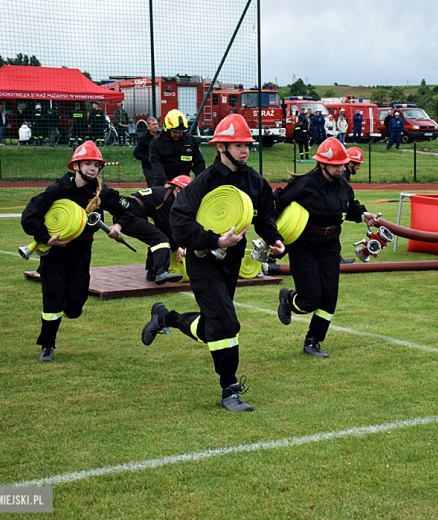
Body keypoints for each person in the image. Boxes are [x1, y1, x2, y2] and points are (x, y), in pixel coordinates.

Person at [141, 114, 285, 412]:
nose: (244, 150)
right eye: (237, 145)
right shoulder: (204, 181)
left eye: (247, 144)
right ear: (221, 147)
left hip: (232, 261)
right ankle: (229, 390)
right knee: (227, 322)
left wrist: (275, 239)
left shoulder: (254, 180)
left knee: (213, 325)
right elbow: (179, 220)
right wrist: (214, 240)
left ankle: (165, 319)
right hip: (203, 259)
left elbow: (265, 214)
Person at [21, 141, 127, 361]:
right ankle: (47, 345)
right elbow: (30, 215)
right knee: (53, 299)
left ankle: (69, 311)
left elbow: (125, 208)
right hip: (54, 254)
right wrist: (45, 238)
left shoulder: (101, 192)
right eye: (87, 163)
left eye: (96, 165)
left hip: (81, 252)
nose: (92, 168)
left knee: (74, 308)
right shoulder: (58, 189)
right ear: (75, 166)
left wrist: (118, 225)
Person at [275, 137, 378, 358]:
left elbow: (350, 207)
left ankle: (313, 341)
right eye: (336, 164)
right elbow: (277, 203)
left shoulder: (343, 185)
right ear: (322, 164)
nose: (342, 168)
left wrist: (363, 214)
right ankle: (287, 298)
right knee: (311, 299)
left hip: (330, 246)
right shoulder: (304, 184)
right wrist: (273, 238)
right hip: (304, 246)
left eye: (343, 164)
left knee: (329, 298)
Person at [114, 175, 191, 284]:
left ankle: (152, 272)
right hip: (129, 215)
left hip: (129, 212)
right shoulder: (166, 199)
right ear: (177, 189)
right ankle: (161, 272)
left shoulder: (165, 194)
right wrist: (176, 247)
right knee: (161, 239)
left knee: (156, 239)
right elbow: (164, 226)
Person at [148, 109, 205, 186]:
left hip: (184, 183)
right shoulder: (157, 142)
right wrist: (164, 183)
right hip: (164, 183)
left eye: (180, 132)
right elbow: (156, 164)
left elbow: (199, 162)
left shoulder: (190, 140)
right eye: (175, 131)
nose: (177, 134)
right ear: (167, 129)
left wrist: (199, 181)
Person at [134, 117, 160, 186]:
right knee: (153, 187)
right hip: (148, 167)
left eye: (156, 124)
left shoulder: (162, 137)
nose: (155, 126)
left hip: (161, 166)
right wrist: (147, 158)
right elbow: (136, 153)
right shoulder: (143, 139)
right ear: (148, 127)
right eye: (153, 124)